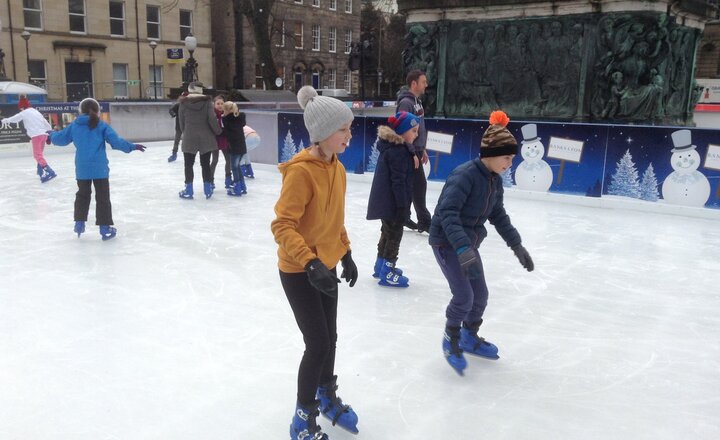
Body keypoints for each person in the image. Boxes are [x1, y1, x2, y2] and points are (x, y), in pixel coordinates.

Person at [271, 85, 359, 440]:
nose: (349, 135)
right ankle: (301, 417)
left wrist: (346, 252)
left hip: (328, 265)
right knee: (318, 342)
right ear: (323, 134)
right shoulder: (301, 172)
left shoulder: (337, 168)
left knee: (331, 337)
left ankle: (326, 393)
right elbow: (282, 225)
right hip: (299, 270)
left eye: (350, 128)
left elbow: (333, 220)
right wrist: (309, 263)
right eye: (344, 130)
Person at [428, 111, 535, 376]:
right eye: (507, 157)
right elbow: (447, 214)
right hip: (447, 243)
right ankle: (450, 337)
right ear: (491, 153)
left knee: (481, 295)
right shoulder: (464, 176)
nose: (510, 164)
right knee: (464, 296)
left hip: (468, 246)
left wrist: (517, 246)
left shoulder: (494, 181)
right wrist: (462, 248)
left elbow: (498, 215)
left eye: (512, 158)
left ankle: (468, 335)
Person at [47, 98, 145, 240]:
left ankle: (79, 223)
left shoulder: (75, 125)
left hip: (82, 168)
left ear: (80, 110)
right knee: (103, 198)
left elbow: (60, 138)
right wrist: (132, 146)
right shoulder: (101, 125)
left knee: (82, 195)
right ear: (98, 110)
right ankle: (104, 228)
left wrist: (51, 135)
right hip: (100, 169)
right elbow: (116, 142)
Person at [366, 111, 420, 288]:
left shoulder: (393, 147)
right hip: (393, 203)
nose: (416, 134)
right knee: (395, 235)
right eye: (414, 131)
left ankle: (380, 265)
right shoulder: (398, 152)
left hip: (385, 202)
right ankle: (388, 271)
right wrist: (403, 207)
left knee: (387, 233)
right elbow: (399, 182)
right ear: (403, 132)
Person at [396, 69, 431, 233]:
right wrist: (411, 151)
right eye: (423, 82)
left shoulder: (417, 101)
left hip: (416, 150)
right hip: (409, 151)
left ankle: (404, 217)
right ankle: (425, 221)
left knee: (413, 185)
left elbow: (419, 127)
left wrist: (421, 148)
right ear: (414, 83)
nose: (426, 85)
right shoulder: (406, 103)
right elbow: (402, 131)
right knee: (419, 185)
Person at [177, 82, 221, 199]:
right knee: (205, 164)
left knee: (188, 165)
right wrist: (218, 131)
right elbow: (212, 119)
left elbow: (181, 122)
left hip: (189, 137)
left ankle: (189, 190)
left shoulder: (183, 102)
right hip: (206, 138)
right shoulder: (207, 102)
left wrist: (186, 132)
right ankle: (207, 189)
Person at [1, 96, 55, 183]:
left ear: (22, 107)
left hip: (36, 136)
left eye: (20, 108)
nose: (20, 110)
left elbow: (14, 119)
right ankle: (40, 170)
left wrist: (4, 121)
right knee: (40, 154)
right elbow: (47, 124)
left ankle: (49, 171)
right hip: (43, 135)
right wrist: (49, 134)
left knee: (37, 155)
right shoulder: (36, 112)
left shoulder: (24, 112)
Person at [221, 101, 247, 196]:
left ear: (227, 110)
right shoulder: (239, 118)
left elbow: (227, 133)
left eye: (224, 110)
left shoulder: (227, 120)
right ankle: (242, 186)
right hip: (241, 146)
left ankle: (237, 187)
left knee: (234, 167)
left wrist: (220, 133)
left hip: (234, 147)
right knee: (238, 166)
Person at [209, 95, 233, 189]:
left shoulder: (226, 114)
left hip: (225, 140)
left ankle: (228, 178)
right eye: (218, 103)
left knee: (229, 159)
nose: (220, 105)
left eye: (222, 103)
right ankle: (210, 180)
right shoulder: (212, 115)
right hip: (215, 140)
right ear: (214, 105)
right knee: (215, 160)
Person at [167, 92, 187, 162]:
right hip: (179, 126)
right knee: (177, 141)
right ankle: (174, 154)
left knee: (187, 141)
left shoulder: (190, 105)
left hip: (187, 127)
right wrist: (173, 114)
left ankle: (188, 154)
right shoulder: (178, 105)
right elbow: (171, 110)